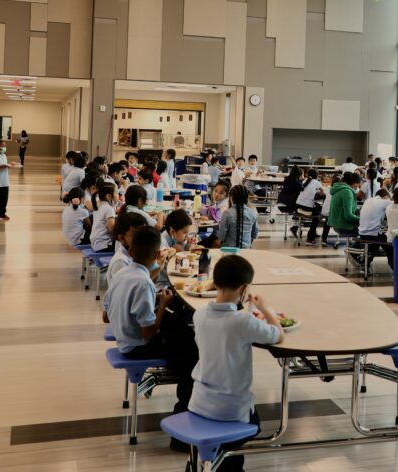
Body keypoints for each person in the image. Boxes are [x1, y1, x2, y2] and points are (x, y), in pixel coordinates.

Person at [188, 254, 284, 471]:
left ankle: (208, 459)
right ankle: (222, 460)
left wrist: (248, 310)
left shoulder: (200, 315)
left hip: (199, 402)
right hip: (231, 410)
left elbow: (235, 325)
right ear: (243, 289)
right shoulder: (242, 322)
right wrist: (265, 308)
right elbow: (278, 335)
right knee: (256, 424)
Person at [102, 227, 196, 445]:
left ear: (131, 251)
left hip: (123, 336)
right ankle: (183, 428)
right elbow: (148, 333)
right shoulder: (143, 283)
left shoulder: (122, 272)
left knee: (184, 331)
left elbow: (106, 317)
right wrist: (162, 305)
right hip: (137, 345)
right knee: (193, 358)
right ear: (156, 255)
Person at [106, 212, 148, 284]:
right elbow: (126, 291)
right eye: (137, 236)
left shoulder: (134, 253)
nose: (143, 239)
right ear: (122, 238)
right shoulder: (121, 262)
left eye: (145, 234)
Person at [358, 188, 393, 268]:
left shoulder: (368, 200)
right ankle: (394, 268)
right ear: (386, 196)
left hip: (362, 233)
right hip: (373, 234)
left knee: (375, 243)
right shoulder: (384, 201)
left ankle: (365, 264)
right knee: (390, 246)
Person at [328, 172, 362, 238]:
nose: (358, 186)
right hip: (343, 225)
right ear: (354, 182)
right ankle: (358, 246)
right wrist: (363, 220)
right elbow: (348, 216)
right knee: (370, 230)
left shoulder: (339, 188)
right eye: (358, 184)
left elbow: (347, 209)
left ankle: (356, 246)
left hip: (336, 224)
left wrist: (360, 210)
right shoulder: (347, 192)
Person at [296, 169, 325, 245]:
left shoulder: (304, 181)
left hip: (298, 204)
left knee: (318, 207)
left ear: (307, 175)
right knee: (318, 216)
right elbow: (323, 192)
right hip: (307, 207)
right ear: (317, 176)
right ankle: (310, 239)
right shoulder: (316, 182)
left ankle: (312, 232)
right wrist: (318, 193)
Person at [90, 184, 118, 252]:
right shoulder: (108, 209)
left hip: (96, 243)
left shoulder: (98, 206)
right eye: (116, 193)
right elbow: (112, 230)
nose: (117, 195)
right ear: (108, 196)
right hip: (104, 245)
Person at [320, 174, 335, 246]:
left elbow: (323, 193)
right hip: (330, 213)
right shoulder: (342, 190)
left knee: (327, 221)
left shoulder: (328, 188)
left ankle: (324, 238)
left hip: (324, 211)